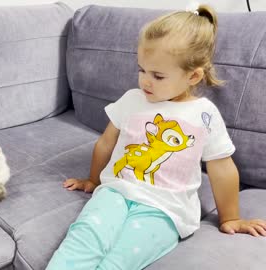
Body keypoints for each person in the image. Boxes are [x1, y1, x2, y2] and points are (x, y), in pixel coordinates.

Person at [46, 4, 266, 270]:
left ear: (193, 75)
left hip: (165, 209)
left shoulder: (204, 114)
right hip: (115, 193)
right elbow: (106, 142)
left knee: (120, 260)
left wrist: (230, 218)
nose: (145, 82)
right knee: (82, 240)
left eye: (157, 75)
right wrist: (93, 180)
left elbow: (222, 168)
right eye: (141, 70)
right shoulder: (132, 100)